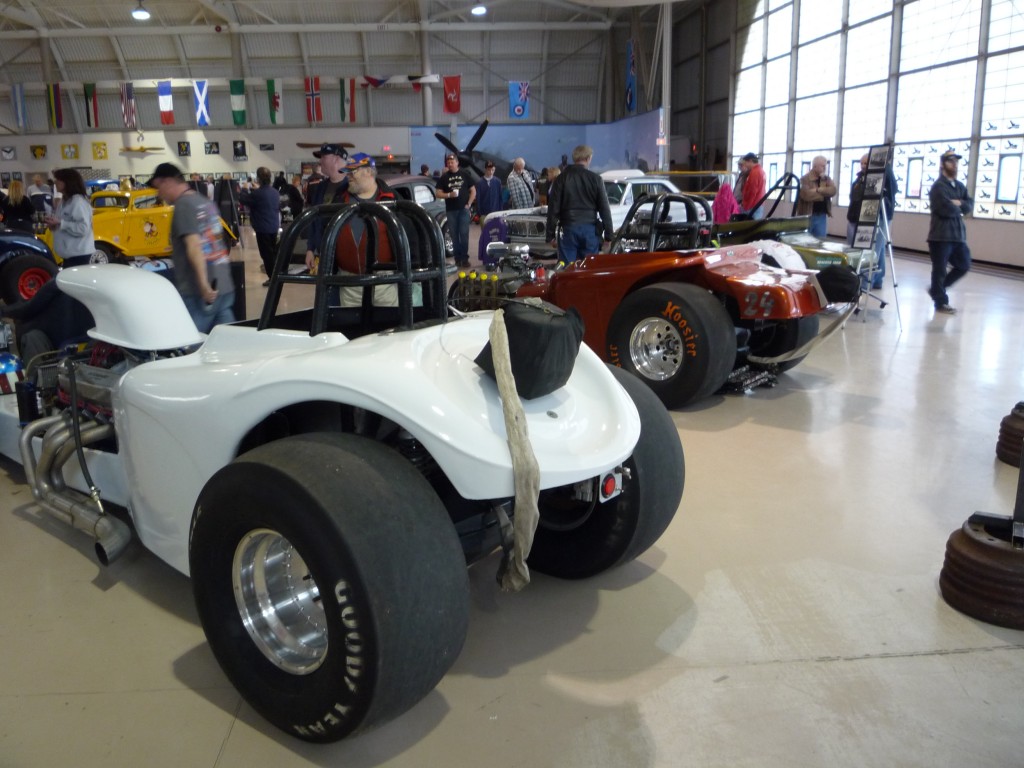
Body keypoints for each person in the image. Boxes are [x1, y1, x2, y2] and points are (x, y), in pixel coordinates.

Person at [148, 162, 235, 332]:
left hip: (199, 291)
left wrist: (203, 285)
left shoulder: (183, 205)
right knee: (226, 339)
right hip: (224, 284)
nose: (159, 193)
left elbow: (194, 246)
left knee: (190, 341)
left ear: (167, 182)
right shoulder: (204, 202)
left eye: (158, 187)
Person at [328, 152, 399, 307]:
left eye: (352, 172)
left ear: (368, 171)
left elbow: (409, 238)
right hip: (348, 284)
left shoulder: (392, 199)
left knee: (388, 321)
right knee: (350, 321)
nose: (348, 176)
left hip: (384, 283)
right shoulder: (339, 199)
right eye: (347, 172)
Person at [545, 144, 614, 266]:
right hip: (590, 231)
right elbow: (605, 209)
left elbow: (553, 208)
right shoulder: (596, 179)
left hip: (567, 229)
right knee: (589, 268)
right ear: (588, 158)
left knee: (566, 268)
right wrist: (608, 236)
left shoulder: (561, 179)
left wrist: (550, 235)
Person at [926, 150, 973, 315]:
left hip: (958, 236)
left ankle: (936, 290)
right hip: (940, 236)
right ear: (942, 164)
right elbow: (946, 209)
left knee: (964, 265)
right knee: (939, 270)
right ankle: (940, 302)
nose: (954, 164)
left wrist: (959, 203)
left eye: (956, 161)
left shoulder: (959, 186)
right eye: (950, 161)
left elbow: (969, 205)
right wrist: (960, 205)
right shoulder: (938, 187)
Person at [303, 144, 351, 274]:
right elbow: (314, 219)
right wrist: (310, 249)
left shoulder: (352, 187)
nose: (320, 161)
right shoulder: (320, 187)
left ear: (336, 159)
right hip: (324, 253)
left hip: (346, 257)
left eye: (324, 157)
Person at [238, 166, 282, 286]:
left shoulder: (258, 194)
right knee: (272, 253)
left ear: (258, 178)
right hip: (273, 226)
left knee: (266, 255)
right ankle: (276, 276)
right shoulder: (274, 192)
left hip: (263, 228)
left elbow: (243, 199)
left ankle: (272, 279)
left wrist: (244, 188)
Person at [43, 168, 94, 267]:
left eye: (58, 179)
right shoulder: (64, 201)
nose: (55, 182)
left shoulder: (78, 202)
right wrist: (54, 226)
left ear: (67, 182)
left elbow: (83, 228)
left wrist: (60, 223)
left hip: (79, 256)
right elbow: (62, 223)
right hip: (69, 256)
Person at [435, 152, 475, 268]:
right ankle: (457, 259)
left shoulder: (464, 174)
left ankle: (465, 259)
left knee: (464, 234)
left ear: (457, 163)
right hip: (451, 211)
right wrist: (449, 195)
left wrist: (469, 204)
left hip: (463, 210)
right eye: (448, 163)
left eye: (452, 162)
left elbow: (473, 190)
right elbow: (438, 193)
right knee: (454, 235)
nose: (450, 164)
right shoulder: (444, 177)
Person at [796, 155, 836, 238]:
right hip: (807, 215)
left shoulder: (826, 179)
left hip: (821, 216)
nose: (825, 168)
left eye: (825, 166)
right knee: (805, 240)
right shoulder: (805, 179)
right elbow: (806, 195)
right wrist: (824, 193)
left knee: (820, 241)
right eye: (822, 166)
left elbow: (833, 191)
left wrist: (818, 190)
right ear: (815, 166)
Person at [739, 152, 766, 219]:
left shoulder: (754, 173)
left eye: (745, 163)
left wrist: (746, 206)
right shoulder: (761, 171)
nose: (745, 165)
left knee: (748, 224)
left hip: (753, 206)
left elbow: (752, 191)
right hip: (758, 204)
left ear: (750, 161)